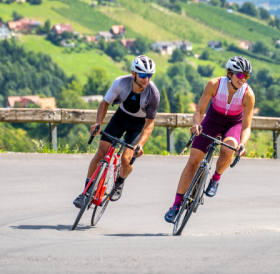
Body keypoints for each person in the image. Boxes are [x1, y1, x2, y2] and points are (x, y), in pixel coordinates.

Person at [164, 56, 255, 223]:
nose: (243, 80)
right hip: (212, 121)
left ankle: (216, 178)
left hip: (233, 125)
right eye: (240, 75)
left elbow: (246, 127)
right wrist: (196, 124)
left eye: (246, 76)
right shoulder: (214, 84)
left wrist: (242, 144)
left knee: (228, 150)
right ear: (230, 73)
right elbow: (199, 111)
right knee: (192, 163)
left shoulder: (248, 95)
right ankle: (176, 205)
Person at [73, 55, 160, 207]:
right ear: (133, 73)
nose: (147, 79)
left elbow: (149, 123)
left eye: (150, 75)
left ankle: (119, 181)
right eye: (143, 75)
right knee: (101, 153)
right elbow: (104, 104)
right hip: (120, 118)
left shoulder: (153, 93)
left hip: (138, 126)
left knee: (126, 160)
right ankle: (85, 192)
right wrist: (98, 123)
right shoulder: (120, 83)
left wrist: (140, 144)